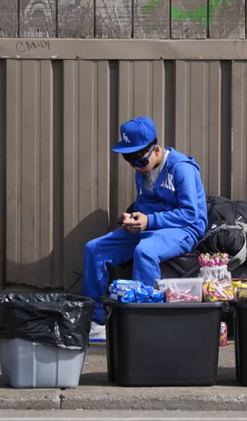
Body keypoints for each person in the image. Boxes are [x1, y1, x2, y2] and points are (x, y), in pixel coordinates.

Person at [82, 116, 208, 341]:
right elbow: (144, 206)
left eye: (139, 161)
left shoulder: (181, 169)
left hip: (185, 228)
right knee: (94, 248)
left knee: (145, 251)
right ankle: (98, 321)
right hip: (151, 226)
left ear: (157, 150)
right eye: (128, 160)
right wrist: (133, 220)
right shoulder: (142, 170)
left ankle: (144, 320)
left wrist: (149, 221)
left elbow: (191, 214)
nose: (135, 166)